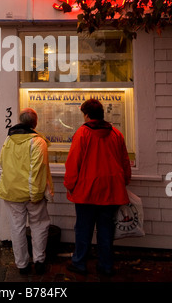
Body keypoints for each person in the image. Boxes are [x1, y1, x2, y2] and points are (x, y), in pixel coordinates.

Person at [64, 99, 131, 276]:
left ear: (86, 115)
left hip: (87, 191)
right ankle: (106, 265)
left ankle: (79, 263)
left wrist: (70, 185)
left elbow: (73, 162)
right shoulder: (116, 133)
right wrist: (125, 180)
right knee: (106, 230)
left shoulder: (82, 133)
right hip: (111, 190)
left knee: (83, 229)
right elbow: (125, 161)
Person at [0, 108, 54, 275]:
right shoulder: (38, 142)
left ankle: (22, 264)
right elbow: (38, 170)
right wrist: (36, 195)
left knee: (17, 227)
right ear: (35, 123)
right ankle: (39, 260)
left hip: (11, 192)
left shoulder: (9, 139)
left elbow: (2, 162)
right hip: (32, 193)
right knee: (39, 225)